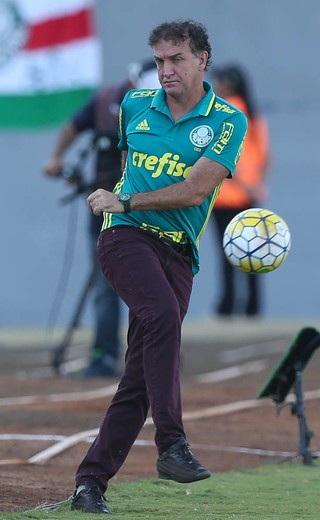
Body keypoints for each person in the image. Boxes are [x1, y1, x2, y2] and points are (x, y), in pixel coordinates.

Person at [70, 20, 247, 514]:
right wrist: (119, 206)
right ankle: (172, 445)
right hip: (124, 237)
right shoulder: (133, 107)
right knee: (163, 318)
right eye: (160, 61)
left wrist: (126, 198)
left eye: (177, 60)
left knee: (138, 380)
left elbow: (195, 189)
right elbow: (127, 166)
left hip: (178, 253)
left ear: (202, 60)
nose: (165, 70)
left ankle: (90, 484)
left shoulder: (229, 121)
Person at [43, 60, 160, 378]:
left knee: (151, 286)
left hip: (147, 210)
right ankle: (104, 353)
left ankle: (155, 354)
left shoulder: (167, 110)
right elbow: (73, 125)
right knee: (104, 284)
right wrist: (56, 158)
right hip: (104, 207)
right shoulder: (105, 101)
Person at [210, 65, 270, 317]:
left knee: (228, 254)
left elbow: (227, 156)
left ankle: (227, 306)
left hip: (225, 196)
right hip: (250, 195)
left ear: (228, 84)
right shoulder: (254, 116)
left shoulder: (225, 114)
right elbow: (265, 156)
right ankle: (253, 306)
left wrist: (241, 183)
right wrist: (254, 185)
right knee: (254, 254)